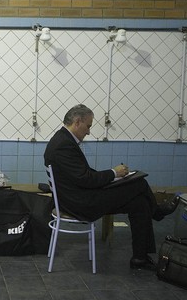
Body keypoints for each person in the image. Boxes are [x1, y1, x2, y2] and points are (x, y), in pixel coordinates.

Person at [43, 104, 178, 270]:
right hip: (80, 204)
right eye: (88, 126)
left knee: (140, 204)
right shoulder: (63, 144)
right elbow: (86, 179)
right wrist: (114, 173)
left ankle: (139, 258)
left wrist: (113, 177)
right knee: (139, 183)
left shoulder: (62, 139)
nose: (89, 131)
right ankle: (157, 211)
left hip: (78, 197)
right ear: (77, 122)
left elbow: (82, 175)